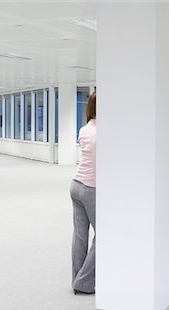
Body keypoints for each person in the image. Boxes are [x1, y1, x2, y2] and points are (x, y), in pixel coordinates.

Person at [70, 92, 96, 295]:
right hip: (91, 189)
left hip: (76, 185)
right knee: (106, 235)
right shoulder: (105, 132)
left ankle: (77, 279)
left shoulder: (85, 129)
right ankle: (83, 282)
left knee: (80, 236)